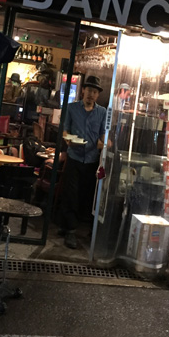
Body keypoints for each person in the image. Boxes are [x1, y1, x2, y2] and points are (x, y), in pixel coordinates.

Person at [60, 75, 107, 249]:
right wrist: (68, 140)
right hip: (74, 156)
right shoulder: (72, 108)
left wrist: (106, 143)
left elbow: (103, 134)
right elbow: (65, 130)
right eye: (89, 90)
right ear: (83, 91)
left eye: (94, 92)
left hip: (92, 159)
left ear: (98, 95)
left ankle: (71, 226)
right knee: (71, 193)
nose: (91, 94)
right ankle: (70, 230)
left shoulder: (102, 112)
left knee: (85, 195)